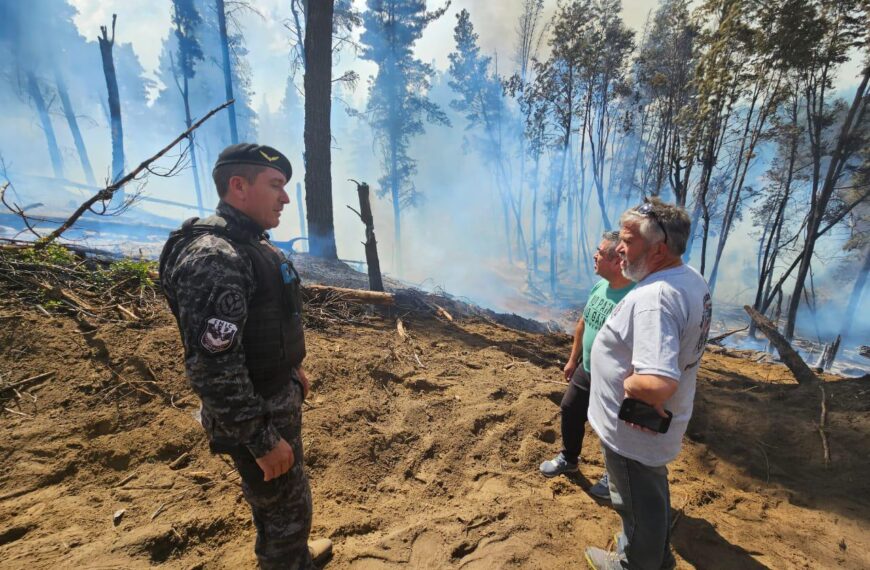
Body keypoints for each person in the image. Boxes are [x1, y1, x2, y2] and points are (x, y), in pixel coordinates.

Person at [159, 143, 331, 569]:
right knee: (283, 509)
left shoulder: (247, 243)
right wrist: (261, 439)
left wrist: (291, 368)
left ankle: (292, 554)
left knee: (284, 500)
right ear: (238, 186)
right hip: (255, 413)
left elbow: (261, 322)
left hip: (271, 396)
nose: (285, 198)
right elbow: (212, 365)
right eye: (275, 186)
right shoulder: (215, 258)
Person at [584, 198, 712, 570]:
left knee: (634, 501)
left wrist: (632, 386)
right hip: (653, 429)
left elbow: (656, 383)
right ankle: (656, 556)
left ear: (658, 248)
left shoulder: (656, 298)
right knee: (649, 495)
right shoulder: (689, 279)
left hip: (633, 430)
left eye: (628, 241)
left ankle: (633, 564)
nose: (619, 248)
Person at [539, 231, 635, 502]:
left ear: (618, 261)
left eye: (600, 253)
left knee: (611, 429)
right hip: (588, 367)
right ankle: (569, 458)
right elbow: (583, 323)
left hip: (614, 377)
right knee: (570, 409)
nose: (594, 255)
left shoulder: (634, 296)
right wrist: (573, 359)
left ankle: (613, 479)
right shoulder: (599, 287)